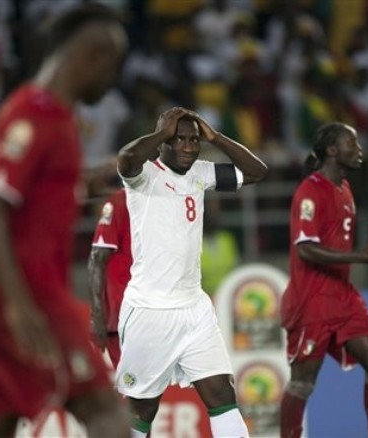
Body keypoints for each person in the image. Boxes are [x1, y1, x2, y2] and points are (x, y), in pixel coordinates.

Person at [0, 4, 130, 437]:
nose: (113, 80)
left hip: (13, 290)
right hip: (28, 292)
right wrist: (19, 304)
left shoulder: (57, 116)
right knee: (105, 410)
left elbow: (46, 194)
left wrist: (101, 173)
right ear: (93, 55)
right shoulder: (34, 112)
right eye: (114, 66)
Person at [116, 106, 268, 437]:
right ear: (163, 144)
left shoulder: (202, 172)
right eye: (178, 139)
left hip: (194, 309)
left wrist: (215, 137)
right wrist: (160, 133)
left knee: (222, 395)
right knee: (143, 407)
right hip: (150, 310)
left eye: (193, 140)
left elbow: (256, 172)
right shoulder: (144, 177)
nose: (187, 146)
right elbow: (126, 159)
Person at [279, 122, 368, 438]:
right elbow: (305, 249)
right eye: (352, 143)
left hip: (343, 296)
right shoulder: (309, 191)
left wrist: (361, 256)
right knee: (303, 383)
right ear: (332, 150)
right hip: (311, 301)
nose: (359, 150)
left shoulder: (344, 189)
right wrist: (360, 257)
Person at [88, 188, 132, 369]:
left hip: (160, 313)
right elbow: (97, 258)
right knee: (133, 390)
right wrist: (97, 315)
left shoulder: (167, 199)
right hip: (122, 319)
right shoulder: (119, 202)